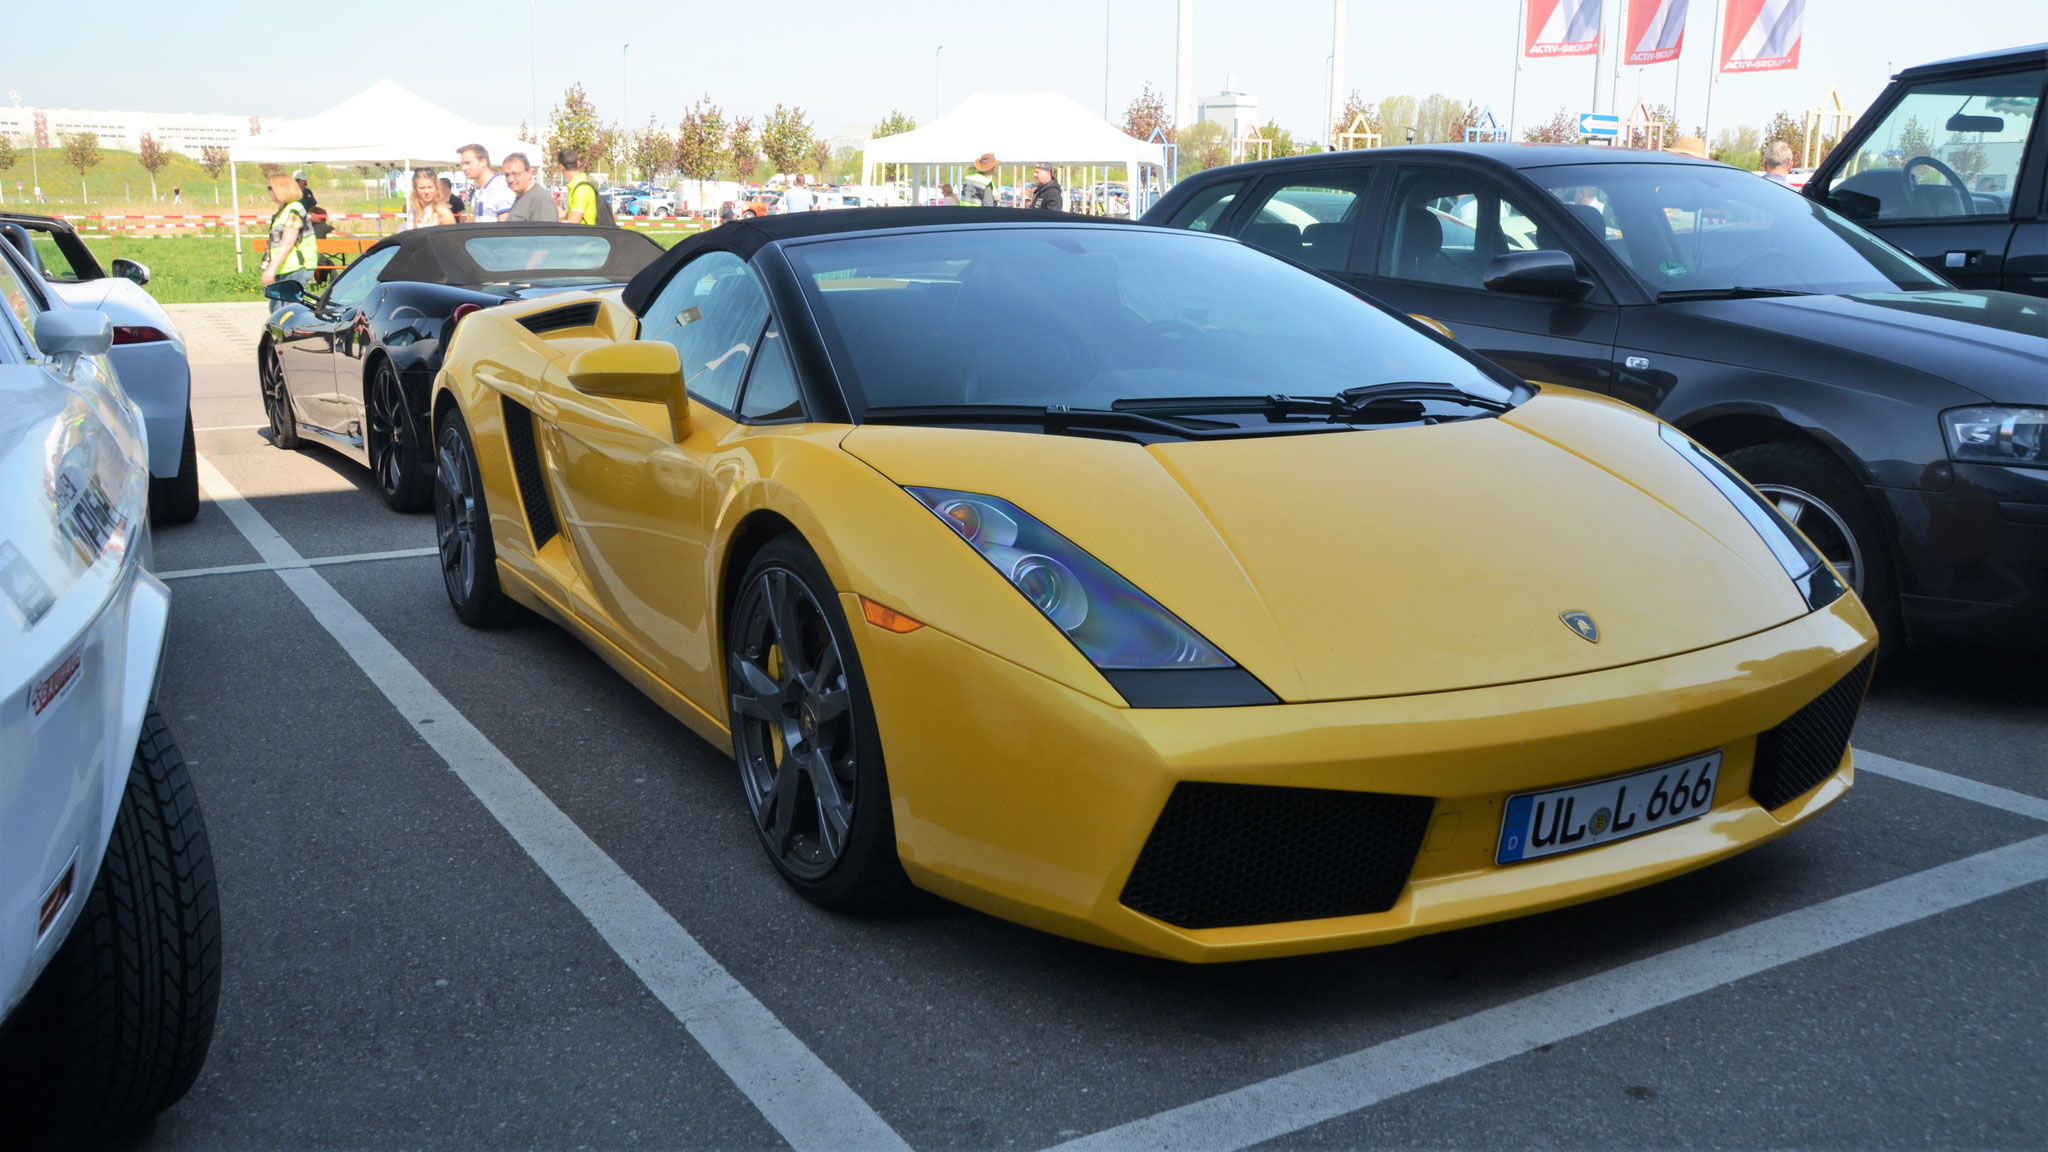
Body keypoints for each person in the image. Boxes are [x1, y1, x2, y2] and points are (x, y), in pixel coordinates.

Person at [259, 172, 318, 288]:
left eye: (270, 188)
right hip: (285, 267)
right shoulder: (282, 211)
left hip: (296, 267)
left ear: (281, 189)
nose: (268, 192)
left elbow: (288, 243)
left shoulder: (294, 209)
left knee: (288, 306)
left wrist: (272, 268)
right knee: (278, 306)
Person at [460, 144, 515, 222]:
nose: (464, 168)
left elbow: (506, 229)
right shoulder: (478, 193)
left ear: (483, 162)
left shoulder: (501, 190)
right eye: (462, 164)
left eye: (468, 163)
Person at [501, 153, 558, 222]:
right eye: (507, 175)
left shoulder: (540, 200)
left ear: (529, 173)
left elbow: (545, 231)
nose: (510, 179)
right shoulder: (521, 197)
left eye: (515, 174)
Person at [558, 148, 601, 224]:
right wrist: (564, 214)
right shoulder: (577, 186)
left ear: (561, 166)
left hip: (586, 234)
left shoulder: (581, 189)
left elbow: (573, 224)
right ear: (578, 163)